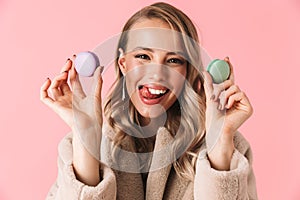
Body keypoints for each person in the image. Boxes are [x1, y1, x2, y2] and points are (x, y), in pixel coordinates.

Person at [40, 2, 258, 199]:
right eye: (143, 56)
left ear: (187, 72)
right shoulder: (74, 145)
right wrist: (86, 137)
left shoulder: (230, 145)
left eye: (173, 60)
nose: (156, 74)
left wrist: (219, 141)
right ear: (123, 64)